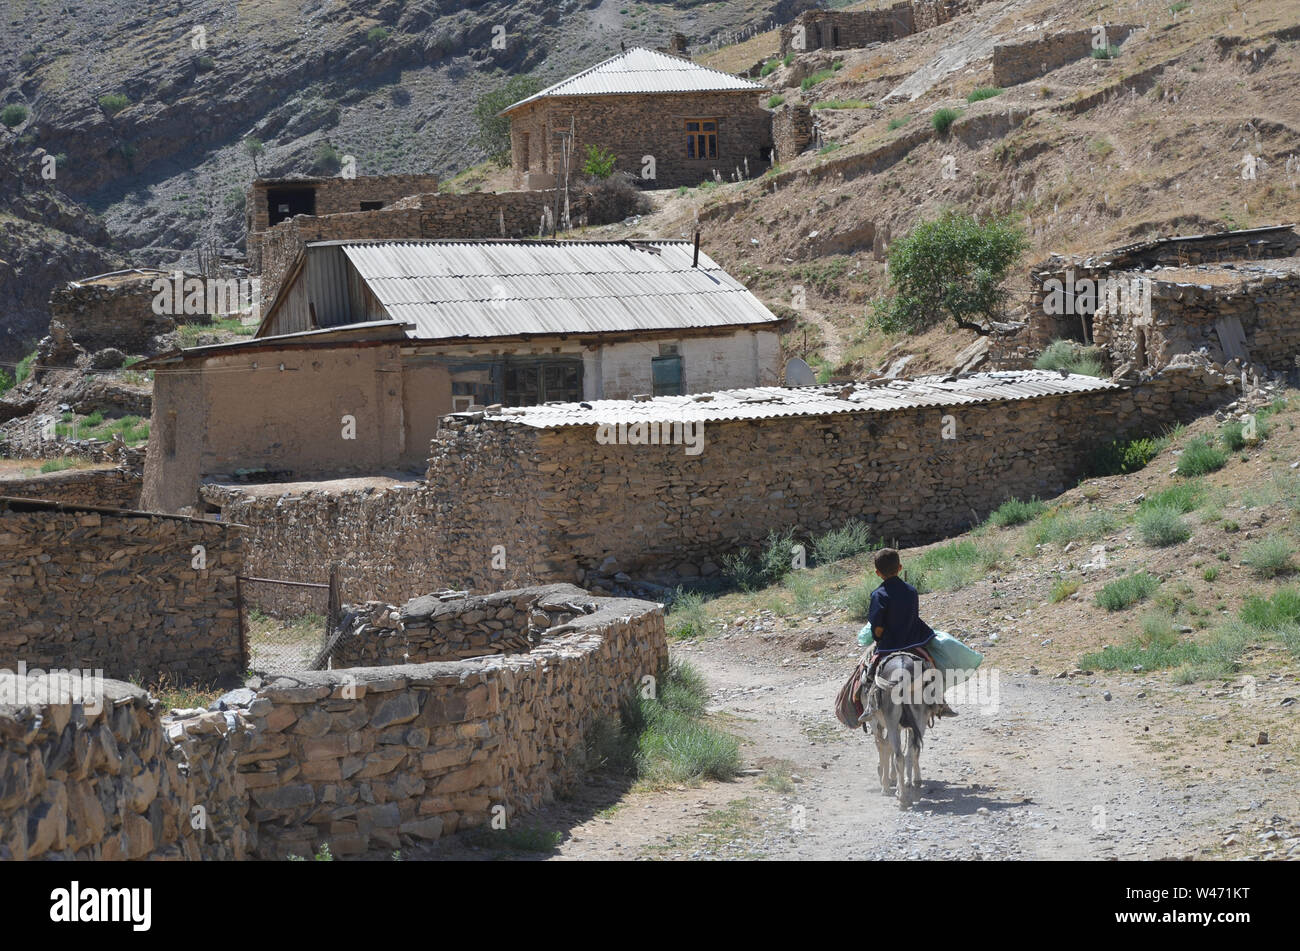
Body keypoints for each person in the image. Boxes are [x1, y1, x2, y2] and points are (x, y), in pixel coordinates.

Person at [865, 547, 958, 718]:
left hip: (889, 645)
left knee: (870, 672)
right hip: (914, 641)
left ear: (877, 573)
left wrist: (878, 638)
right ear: (900, 568)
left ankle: (870, 706)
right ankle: (940, 702)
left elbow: (877, 627)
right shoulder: (911, 590)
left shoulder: (878, 595)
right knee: (931, 665)